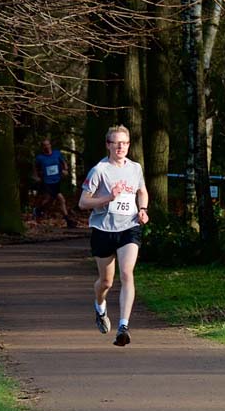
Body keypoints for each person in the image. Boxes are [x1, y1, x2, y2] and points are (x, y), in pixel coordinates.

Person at [79, 125, 149, 347]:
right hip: (103, 230)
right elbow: (83, 202)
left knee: (127, 273)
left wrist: (143, 209)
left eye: (125, 143)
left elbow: (142, 191)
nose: (121, 147)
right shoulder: (99, 170)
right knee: (106, 282)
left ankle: (123, 327)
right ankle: (100, 306)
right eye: (116, 143)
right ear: (108, 145)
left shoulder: (135, 168)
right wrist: (108, 198)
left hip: (129, 227)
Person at [33, 138, 75, 227]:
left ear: (50, 145)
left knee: (49, 200)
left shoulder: (57, 153)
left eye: (48, 145)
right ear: (42, 147)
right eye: (44, 145)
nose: (46, 147)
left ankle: (38, 209)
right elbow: (35, 168)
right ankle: (68, 220)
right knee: (61, 199)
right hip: (47, 182)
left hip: (57, 180)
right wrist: (36, 176)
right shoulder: (40, 158)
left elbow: (63, 162)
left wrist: (65, 170)